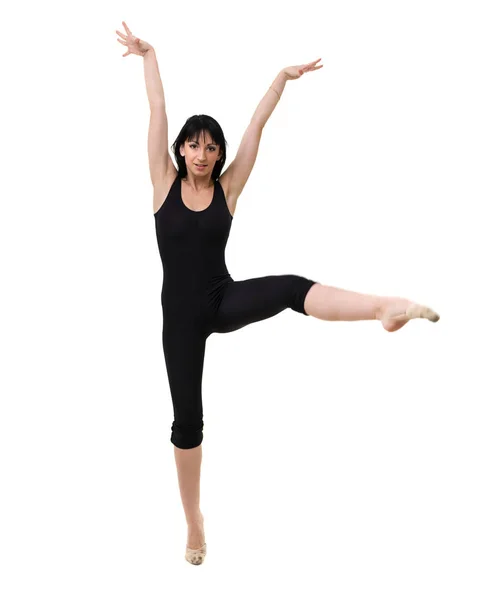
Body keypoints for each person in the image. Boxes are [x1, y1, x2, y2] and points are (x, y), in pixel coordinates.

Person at [116, 21, 440, 565]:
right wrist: (149, 55)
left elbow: (256, 130)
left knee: (290, 287)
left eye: (211, 146)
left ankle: (384, 308)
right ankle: (193, 520)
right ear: (180, 149)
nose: (202, 152)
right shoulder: (161, 183)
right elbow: (156, 109)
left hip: (221, 299)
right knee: (187, 421)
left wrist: (280, 81)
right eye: (193, 144)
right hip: (179, 321)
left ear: (219, 155)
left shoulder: (229, 188)